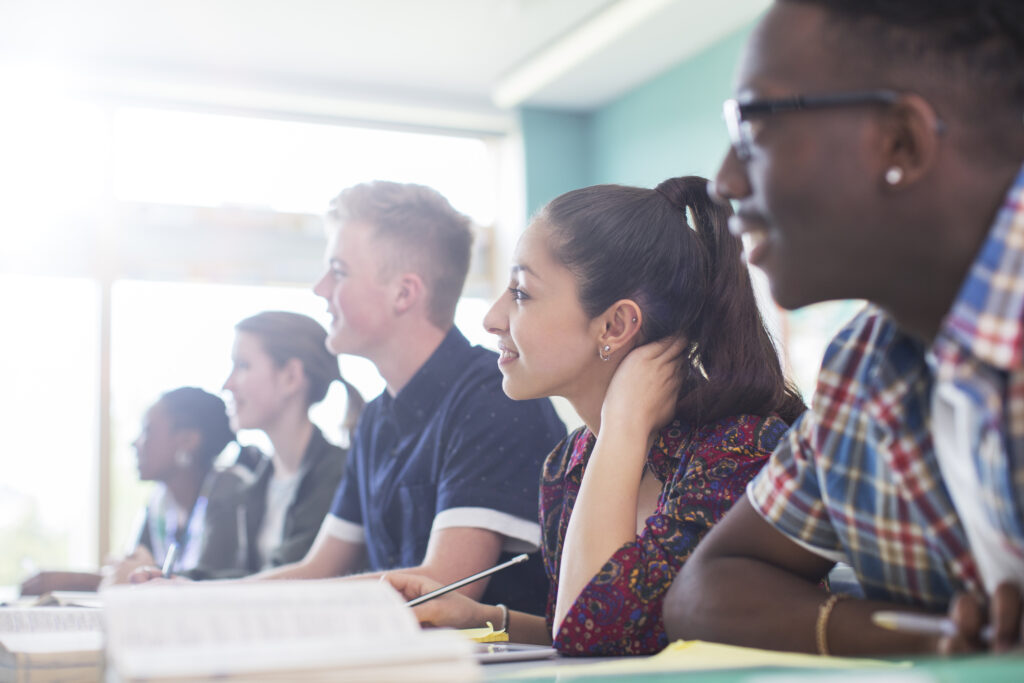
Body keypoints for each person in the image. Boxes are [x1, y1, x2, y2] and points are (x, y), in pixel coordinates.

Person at [665, 0, 1024, 657]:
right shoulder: (865, 362)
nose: (724, 181)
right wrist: (939, 637)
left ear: (900, 143)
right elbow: (702, 591)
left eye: (753, 125)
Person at [385, 176, 806, 656]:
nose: (492, 318)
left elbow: (602, 633)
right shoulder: (568, 464)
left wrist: (624, 422)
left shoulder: (740, 452)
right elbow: (591, 624)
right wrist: (485, 619)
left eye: (521, 293)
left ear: (615, 325)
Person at [141, 182, 566, 615]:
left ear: (404, 293)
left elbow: (439, 587)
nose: (320, 289)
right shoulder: (377, 418)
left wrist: (204, 599)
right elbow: (318, 569)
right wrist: (193, 595)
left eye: (339, 272)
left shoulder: (492, 398)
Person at [190, 310, 363, 578]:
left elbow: (286, 577)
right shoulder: (256, 484)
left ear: (291, 377)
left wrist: (182, 585)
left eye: (243, 366)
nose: (227, 384)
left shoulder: (338, 475)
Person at [20, 387, 240, 594]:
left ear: (187, 440)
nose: (135, 443)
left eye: (147, 431)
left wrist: (83, 581)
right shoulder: (160, 501)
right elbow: (132, 567)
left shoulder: (231, 492)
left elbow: (210, 580)